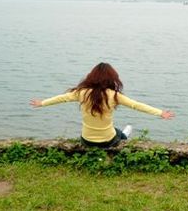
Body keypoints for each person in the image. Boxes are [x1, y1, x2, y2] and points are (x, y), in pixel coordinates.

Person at [30, 62, 174, 147]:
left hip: (86, 141)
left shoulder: (81, 92)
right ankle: (126, 134)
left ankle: (123, 132)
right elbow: (136, 105)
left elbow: (61, 98)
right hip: (107, 141)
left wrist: (42, 103)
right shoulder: (114, 95)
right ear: (113, 78)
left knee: (111, 130)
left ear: (91, 76)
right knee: (119, 133)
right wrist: (160, 113)